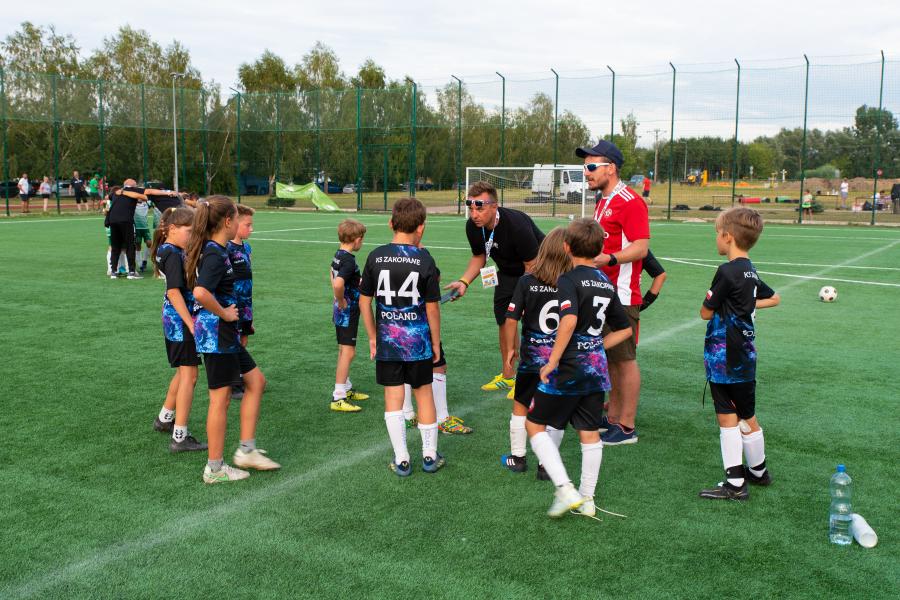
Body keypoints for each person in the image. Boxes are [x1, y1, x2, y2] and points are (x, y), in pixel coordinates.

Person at [526, 218, 632, 518]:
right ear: (599, 249)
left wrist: (553, 359)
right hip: (595, 368)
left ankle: (564, 488)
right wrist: (596, 347)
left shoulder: (568, 280)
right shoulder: (605, 282)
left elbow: (569, 321)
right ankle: (587, 499)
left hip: (569, 365)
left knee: (534, 424)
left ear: (566, 247)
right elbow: (625, 329)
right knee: (589, 432)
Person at [186, 195, 281, 484]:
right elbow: (201, 292)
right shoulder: (214, 253)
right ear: (228, 221)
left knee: (256, 382)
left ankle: (247, 451)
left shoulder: (217, 248)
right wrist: (225, 313)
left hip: (224, 334)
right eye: (238, 219)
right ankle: (214, 468)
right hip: (216, 333)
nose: (241, 224)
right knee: (221, 399)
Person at [359, 197, 444, 477]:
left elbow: (364, 301)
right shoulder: (424, 259)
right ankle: (429, 455)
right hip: (418, 342)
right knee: (424, 394)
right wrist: (435, 342)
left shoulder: (375, 256)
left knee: (393, 397)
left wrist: (373, 336)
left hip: (389, 341)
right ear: (421, 227)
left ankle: (402, 458)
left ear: (390, 223)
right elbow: (432, 308)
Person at [699, 208, 780, 500]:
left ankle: (735, 483)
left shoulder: (727, 271)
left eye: (717, 234)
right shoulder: (750, 269)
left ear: (728, 236)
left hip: (724, 355)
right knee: (747, 413)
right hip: (746, 352)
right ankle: (758, 471)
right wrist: (745, 306)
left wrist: (733, 306)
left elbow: (705, 312)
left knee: (727, 417)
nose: (716, 239)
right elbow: (774, 297)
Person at [577, 140, 649, 445]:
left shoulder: (630, 201)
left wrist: (610, 259)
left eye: (592, 166)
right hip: (603, 291)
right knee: (611, 359)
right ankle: (615, 416)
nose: (587, 172)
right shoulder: (603, 199)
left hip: (622, 293)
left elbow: (641, 247)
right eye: (585, 167)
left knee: (625, 359)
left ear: (611, 168)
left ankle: (627, 426)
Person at [444, 181, 545, 395]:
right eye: (471, 208)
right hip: (507, 273)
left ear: (494, 206)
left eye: (479, 209)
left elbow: (532, 265)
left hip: (539, 272)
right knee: (504, 321)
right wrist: (464, 282)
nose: (474, 214)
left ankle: (530, 379)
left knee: (531, 324)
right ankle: (508, 376)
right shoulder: (473, 226)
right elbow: (479, 256)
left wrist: (524, 300)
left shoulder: (516, 225)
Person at [501, 227, 572, 475]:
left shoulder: (526, 281)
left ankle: (518, 457)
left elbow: (511, 318)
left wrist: (511, 349)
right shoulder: (570, 284)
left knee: (521, 404)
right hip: (560, 360)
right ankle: (545, 465)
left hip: (531, 359)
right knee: (554, 410)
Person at [151, 206, 207, 452]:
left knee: (184, 373)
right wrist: (190, 323)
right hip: (180, 320)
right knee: (190, 376)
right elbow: (174, 292)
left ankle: (165, 419)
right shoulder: (172, 254)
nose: (192, 237)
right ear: (172, 229)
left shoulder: (169, 249)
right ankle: (180, 436)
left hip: (175, 319)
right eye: (189, 231)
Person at [400, 244, 473, 435]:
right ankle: (442, 419)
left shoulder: (388, 257)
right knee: (438, 365)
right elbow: (433, 293)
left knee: (405, 366)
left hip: (399, 324)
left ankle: (407, 414)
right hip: (421, 323)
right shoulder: (423, 259)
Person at [330, 218, 370, 412]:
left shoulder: (338, 255)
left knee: (343, 349)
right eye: (362, 239)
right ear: (356, 239)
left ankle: (345, 387)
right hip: (347, 310)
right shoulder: (348, 260)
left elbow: (332, 274)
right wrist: (341, 300)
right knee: (348, 351)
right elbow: (338, 283)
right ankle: (338, 397)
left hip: (341, 310)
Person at [227, 204, 257, 400]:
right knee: (233, 340)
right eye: (248, 225)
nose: (251, 229)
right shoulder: (227, 249)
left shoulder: (246, 247)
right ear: (234, 224)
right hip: (233, 304)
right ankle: (233, 383)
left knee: (243, 339)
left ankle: (240, 375)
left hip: (246, 304)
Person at [107, 185, 150, 279]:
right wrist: (127, 192)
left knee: (115, 247)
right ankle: (131, 272)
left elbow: (109, 197)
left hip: (113, 221)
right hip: (126, 221)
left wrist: (122, 192)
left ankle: (113, 272)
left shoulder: (115, 194)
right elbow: (145, 197)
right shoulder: (130, 194)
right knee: (130, 246)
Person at [134, 198, 154, 273]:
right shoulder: (133, 203)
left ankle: (144, 260)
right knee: (138, 245)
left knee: (149, 243)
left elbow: (156, 203)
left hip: (145, 228)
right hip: (137, 228)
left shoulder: (147, 203)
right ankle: (140, 265)